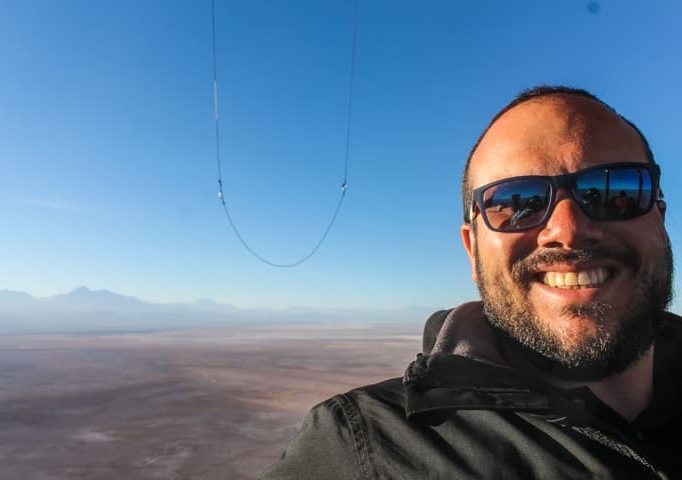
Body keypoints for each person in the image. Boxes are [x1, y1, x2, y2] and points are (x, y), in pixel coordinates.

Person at [260, 86, 681, 479]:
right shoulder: (365, 449)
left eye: (612, 190)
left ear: (659, 218)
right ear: (473, 252)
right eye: (514, 203)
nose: (567, 229)